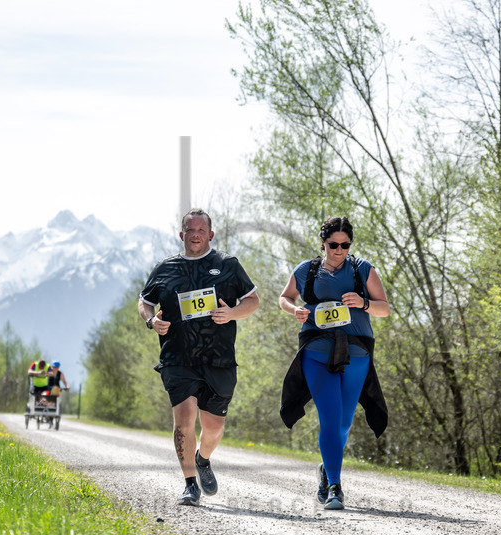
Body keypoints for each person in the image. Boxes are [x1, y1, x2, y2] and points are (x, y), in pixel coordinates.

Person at [139, 208, 260, 506]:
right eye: (190, 230)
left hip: (219, 359)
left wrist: (232, 313)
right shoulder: (165, 268)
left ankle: (203, 459)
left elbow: (253, 301)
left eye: (201, 230)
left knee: (214, 428)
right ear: (181, 235)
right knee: (184, 420)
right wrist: (151, 321)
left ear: (210, 234)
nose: (195, 235)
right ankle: (190, 484)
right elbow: (145, 302)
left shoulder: (227, 265)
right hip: (177, 357)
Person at [278, 216, 389, 510]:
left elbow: (384, 309)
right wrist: (294, 310)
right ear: (323, 242)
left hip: (357, 351)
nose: (339, 250)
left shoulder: (363, 269)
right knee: (330, 415)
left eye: (345, 245)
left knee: (343, 422)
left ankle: (327, 467)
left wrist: (364, 303)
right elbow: (285, 297)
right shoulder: (307, 270)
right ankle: (335, 488)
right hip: (317, 350)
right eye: (333, 244)